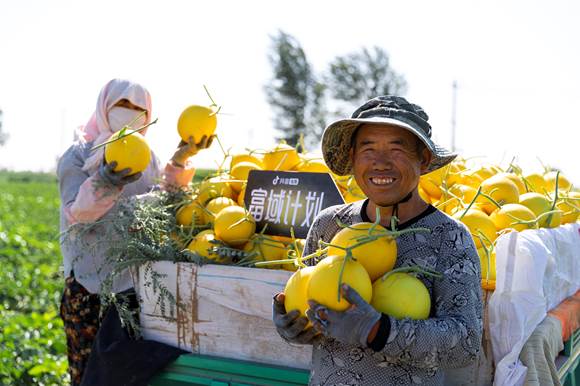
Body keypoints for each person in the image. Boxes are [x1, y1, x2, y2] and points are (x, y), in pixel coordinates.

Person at [273, 96, 483, 385]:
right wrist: (292, 326)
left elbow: (466, 344)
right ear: (353, 156)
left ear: (422, 159)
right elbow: (309, 305)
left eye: (396, 149)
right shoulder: (328, 225)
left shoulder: (450, 238)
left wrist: (377, 329)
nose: (380, 163)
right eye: (368, 149)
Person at [57, 78, 212, 385]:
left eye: (138, 108)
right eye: (122, 105)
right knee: (86, 375)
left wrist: (180, 159)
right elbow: (78, 213)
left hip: (135, 289)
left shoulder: (148, 157)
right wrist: (105, 179)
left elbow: (164, 201)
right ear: (104, 107)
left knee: (123, 377)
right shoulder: (78, 155)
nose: (129, 113)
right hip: (89, 288)